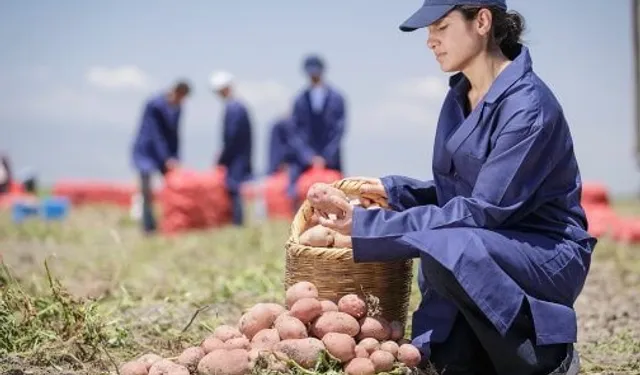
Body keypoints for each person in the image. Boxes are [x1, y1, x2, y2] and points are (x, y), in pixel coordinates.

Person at [307, 1, 592, 374]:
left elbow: (483, 211)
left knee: (444, 243)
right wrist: (395, 192)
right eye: (429, 31)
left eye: (441, 27)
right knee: (450, 352)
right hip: (488, 245)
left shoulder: (528, 108)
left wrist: (365, 226)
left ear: (483, 21)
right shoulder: (459, 95)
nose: (431, 41)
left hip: (545, 253)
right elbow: (456, 194)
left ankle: (545, 357)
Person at [287, 54, 347, 207]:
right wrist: (309, 156)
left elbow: (338, 130)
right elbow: (295, 132)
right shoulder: (299, 99)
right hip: (305, 159)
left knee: (337, 192)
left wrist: (326, 157)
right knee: (298, 194)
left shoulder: (337, 98)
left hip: (331, 158)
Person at [131, 80, 191, 234]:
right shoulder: (155, 105)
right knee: (146, 191)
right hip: (147, 151)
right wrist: (166, 158)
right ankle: (148, 227)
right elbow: (155, 134)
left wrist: (175, 157)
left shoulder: (178, 108)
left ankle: (172, 222)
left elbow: (175, 135)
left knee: (173, 186)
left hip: (166, 154)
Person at [210, 71, 254, 226]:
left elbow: (231, 136)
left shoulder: (234, 107)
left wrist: (223, 156)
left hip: (236, 156)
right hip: (240, 155)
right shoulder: (239, 106)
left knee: (233, 188)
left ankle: (237, 222)